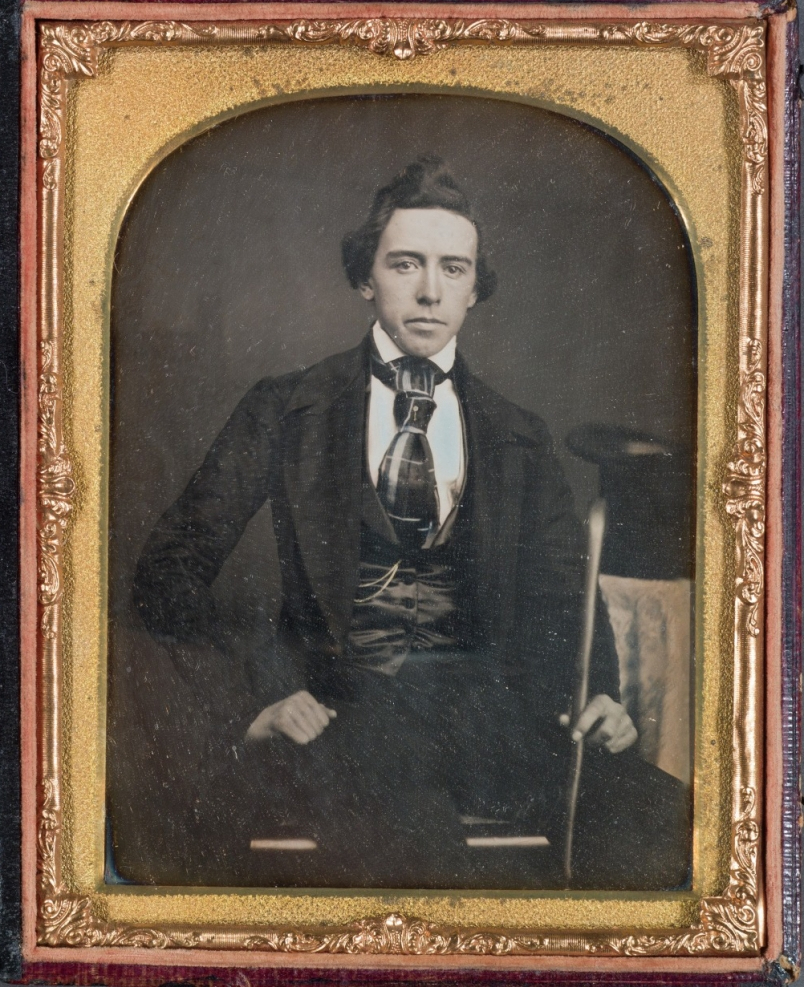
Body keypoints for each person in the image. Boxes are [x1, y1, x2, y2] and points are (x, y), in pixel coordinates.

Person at [124, 156, 689, 890]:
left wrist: (600, 697)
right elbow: (167, 575)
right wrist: (257, 695)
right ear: (366, 277)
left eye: (454, 269)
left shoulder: (518, 432)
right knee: (425, 871)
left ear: (476, 288)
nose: (430, 290)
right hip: (343, 717)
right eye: (405, 264)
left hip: (494, 720)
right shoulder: (287, 407)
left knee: (672, 828)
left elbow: (562, 595)